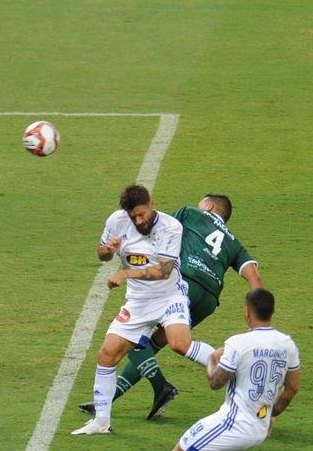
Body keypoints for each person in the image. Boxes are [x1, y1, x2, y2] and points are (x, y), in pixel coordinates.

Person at [109, 288, 300, 451]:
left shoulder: (238, 344)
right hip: (258, 425)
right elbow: (292, 388)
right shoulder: (287, 344)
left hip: (233, 422)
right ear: (271, 312)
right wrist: (271, 415)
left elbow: (215, 382)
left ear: (247, 312)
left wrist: (212, 360)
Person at [78, 194, 263, 421]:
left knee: (133, 337)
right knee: (153, 343)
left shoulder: (190, 213)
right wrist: (256, 324)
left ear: (210, 206)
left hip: (181, 284)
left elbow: (155, 230)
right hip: (207, 300)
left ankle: (164, 386)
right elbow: (254, 279)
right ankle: (113, 400)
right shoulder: (234, 243)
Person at [72, 184, 217, 435]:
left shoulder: (172, 227)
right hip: (138, 302)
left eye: (142, 214)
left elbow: (164, 271)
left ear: (152, 204)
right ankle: (101, 422)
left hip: (170, 296)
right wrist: (108, 251)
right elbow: (102, 254)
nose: (139, 221)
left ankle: (231, 364)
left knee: (179, 344)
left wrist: (126, 272)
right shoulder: (116, 221)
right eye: (133, 217)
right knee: (107, 355)